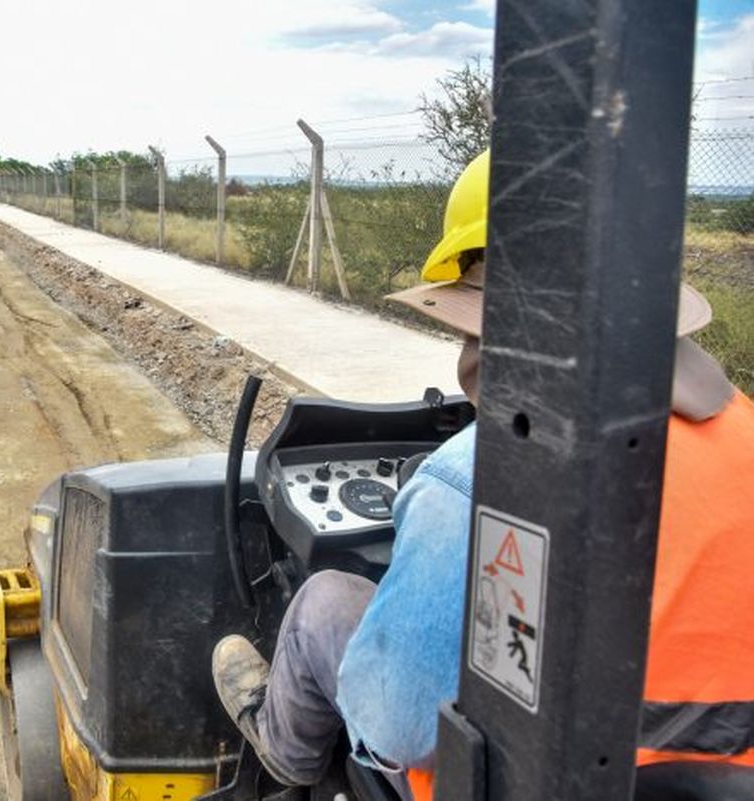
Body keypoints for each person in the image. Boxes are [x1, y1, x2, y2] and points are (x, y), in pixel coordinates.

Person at [211, 150, 754, 801]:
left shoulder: (479, 477)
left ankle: (287, 754)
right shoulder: (745, 434)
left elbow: (398, 726)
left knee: (325, 600)